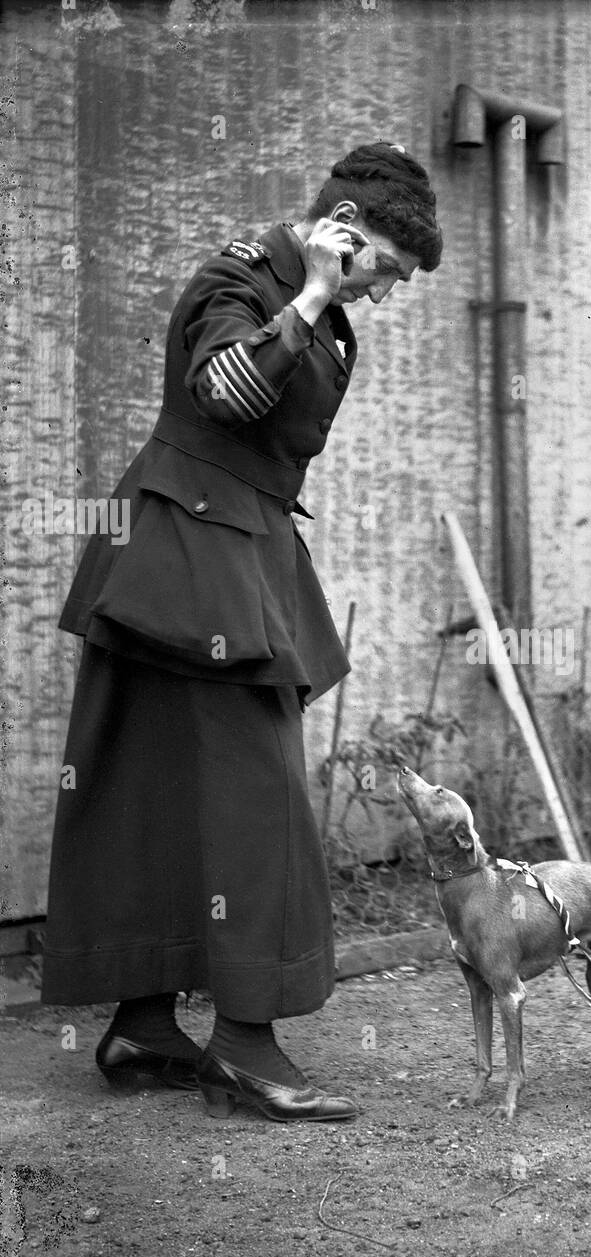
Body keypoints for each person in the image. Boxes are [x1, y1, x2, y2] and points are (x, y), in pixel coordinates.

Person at [41, 142, 443, 1122]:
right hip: (187, 560)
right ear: (342, 229)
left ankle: (141, 1025)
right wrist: (308, 295)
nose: (384, 290)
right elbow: (223, 390)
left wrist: (323, 303)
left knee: (152, 784)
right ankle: (245, 1045)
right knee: (258, 797)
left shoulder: (331, 317)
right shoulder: (238, 278)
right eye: (384, 266)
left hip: (226, 553)